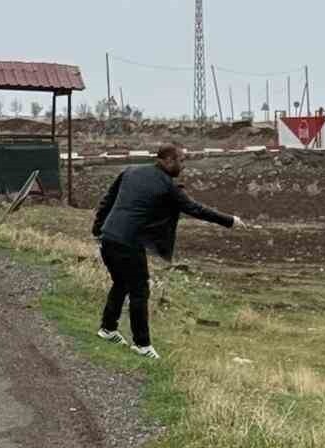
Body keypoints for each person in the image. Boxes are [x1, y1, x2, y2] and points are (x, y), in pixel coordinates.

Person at [92, 143, 244, 360]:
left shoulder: (130, 171)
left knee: (121, 283)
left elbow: (108, 200)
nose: (183, 166)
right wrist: (230, 221)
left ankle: (108, 329)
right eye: (181, 161)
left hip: (109, 238)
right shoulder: (167, 186)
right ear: (168, 160)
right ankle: (142, 345)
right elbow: (195, 209)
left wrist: (98, 229)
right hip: (128, 243)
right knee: (139, 291)